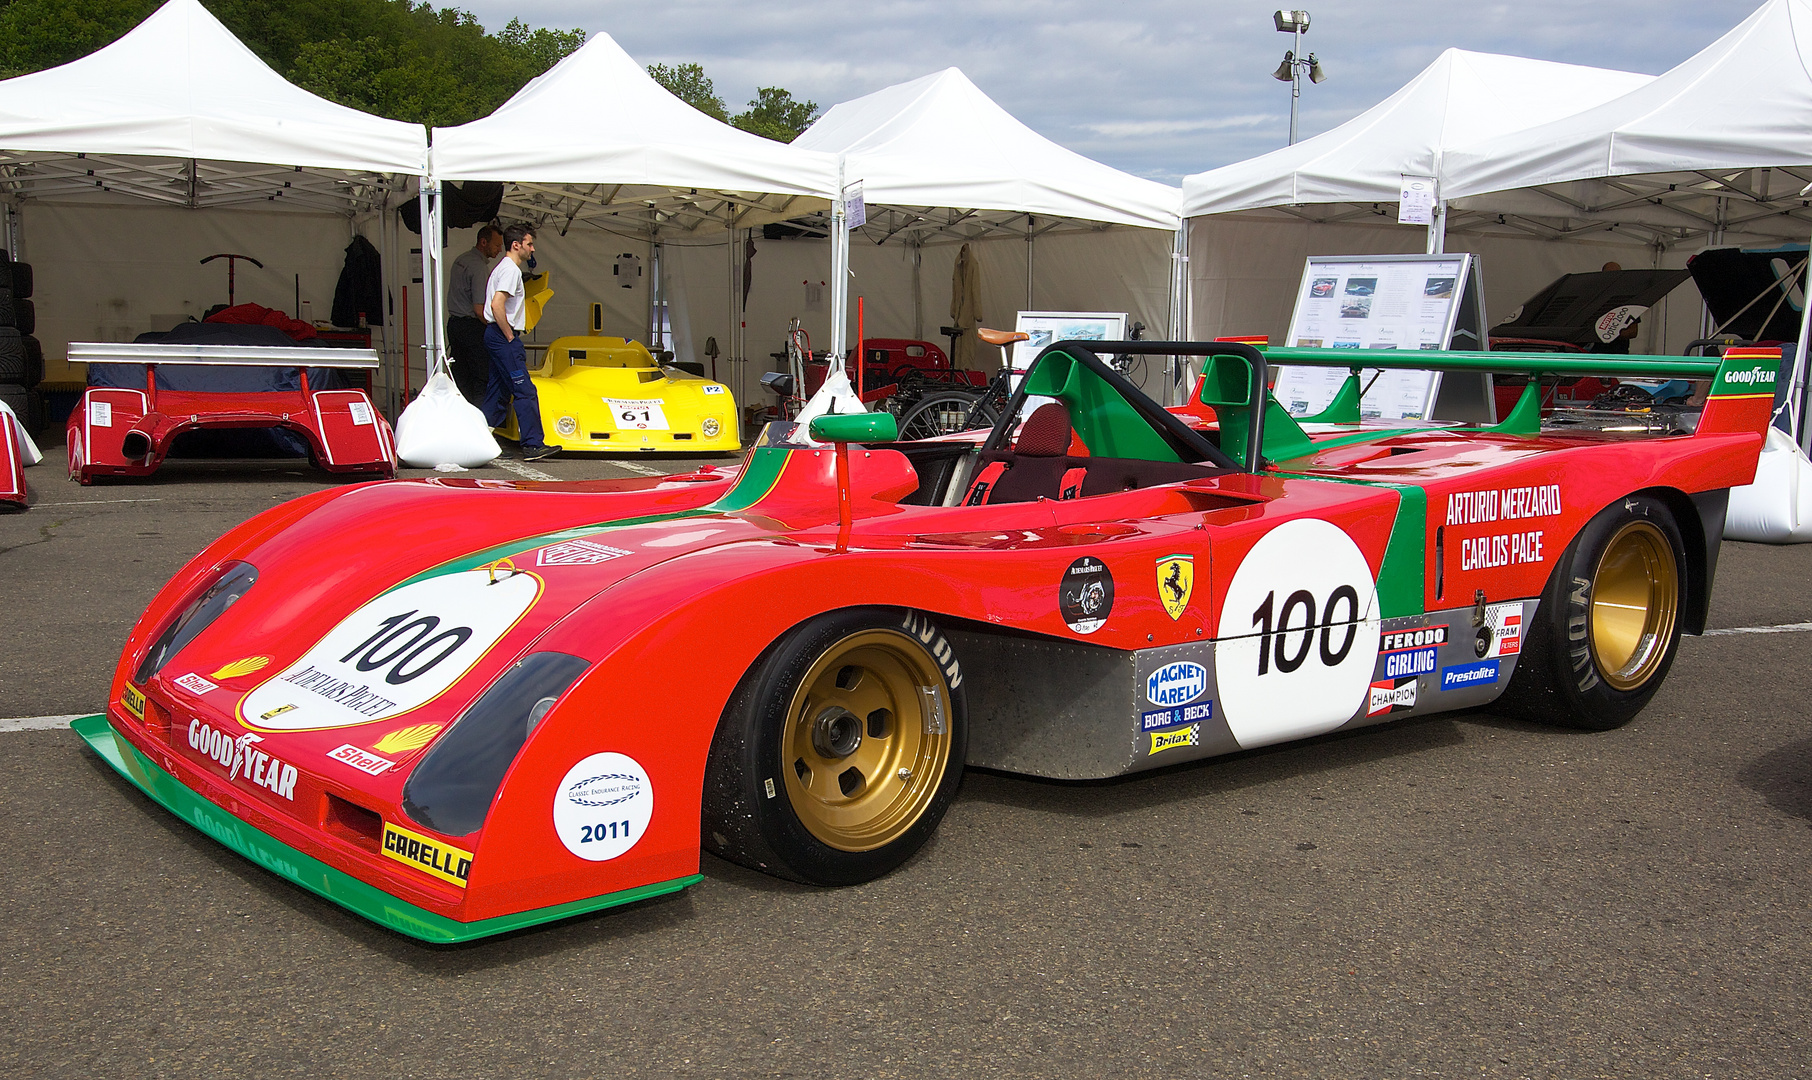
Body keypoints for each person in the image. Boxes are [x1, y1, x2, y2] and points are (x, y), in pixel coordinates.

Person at [482, 224, 556, 461]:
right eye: (529, 244)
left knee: (499, 390)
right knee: (524, 390)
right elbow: (497, 304)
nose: (532, 250)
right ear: (516, 245)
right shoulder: (511, 270)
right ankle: (533, 444)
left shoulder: (502, 268)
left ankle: (482, 441)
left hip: (495, 335)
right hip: (503, 335)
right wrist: (510, 335)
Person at [446, 225, 501, 403]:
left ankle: (461, 416)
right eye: (496, 245)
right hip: (471, 327)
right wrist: (499, 326)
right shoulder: (478, 267)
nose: (499, 250)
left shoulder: (460, 259)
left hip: (454, 325)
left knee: (460, 377)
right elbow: (479, 309)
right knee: (480, 377)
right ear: (483, 242)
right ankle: (479, 418)